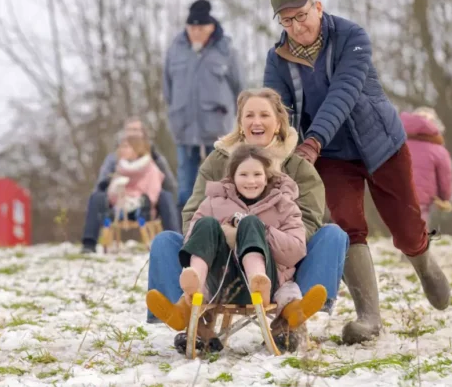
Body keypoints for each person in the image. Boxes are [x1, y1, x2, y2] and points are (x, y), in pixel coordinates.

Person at [263, 0, 451, 344]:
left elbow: (343, 94)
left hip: (381, 145)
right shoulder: (277, 59)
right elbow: (278, 109)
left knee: (406, 227)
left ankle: (424, 262)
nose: (296, 26)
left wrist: (313, 140)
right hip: (332, 157)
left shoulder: (352, 37)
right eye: (286, 21)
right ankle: (369, 317)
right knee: (348, 225)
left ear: (317, 7)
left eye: (301, 16)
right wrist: (277, 148)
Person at [146, 87, 349, 350]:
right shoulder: (218, 161)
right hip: (217, 258)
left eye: (264, 115)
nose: (256, 122)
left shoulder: (297, 167)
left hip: (281, 262)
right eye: (249, 115)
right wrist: (225, 236)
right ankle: (193, 320)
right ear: (241, 123)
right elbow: (193, 212)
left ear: (278, 124)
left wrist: (257, 237)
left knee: (333, 235)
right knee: (165, 241)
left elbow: (309, 222)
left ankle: (289, 319)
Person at [147, 144, 327, 350]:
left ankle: (290, 308)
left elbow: (296, 250)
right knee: (205, 224)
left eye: (257, 174)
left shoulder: (284, 205)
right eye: (243, 174)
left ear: (267, 176)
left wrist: (262, 231)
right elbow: (191, 238)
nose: (251, 181)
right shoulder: (213, 203)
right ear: (232, 177)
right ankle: (188, 298)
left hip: (270, 282)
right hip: (221, 282)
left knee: (251, 224)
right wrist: (222, 234)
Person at [163, 0, 245, 211]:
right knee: (186, 183)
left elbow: (239, 87)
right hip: (184, 126)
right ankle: (186, 227)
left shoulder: (226, 49)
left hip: (218, 127)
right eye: (192, 27)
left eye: (201, 28)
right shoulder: (175, 49)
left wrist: (239, 123)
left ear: (211, 26)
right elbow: (167, 87)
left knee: (219, 179)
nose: (196, 32)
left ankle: (219, 221)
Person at [81, 118, 179, 253]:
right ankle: (88, 244)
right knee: (96, 196)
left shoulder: (154, 158)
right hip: (118, 201)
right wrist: (112, 187)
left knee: (166, 196)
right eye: (129, 130)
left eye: (136, 130)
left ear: (143, 133)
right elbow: (102, 182)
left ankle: (174, 241)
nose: (132, 133)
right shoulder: (114, 158)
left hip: (147, 203)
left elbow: (167, 183)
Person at [401, 108, 452, 222]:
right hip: (423, 199)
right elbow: (445, 178)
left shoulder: (398, 145)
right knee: (420, 225)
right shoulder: (438, 150)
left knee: (402, 225)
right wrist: (444, 197)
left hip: (399, 194)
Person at [106, 135, 165, 222]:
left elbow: (153, 192)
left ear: (136, 148)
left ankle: (141, 217)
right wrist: (116, 189)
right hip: (122, 207)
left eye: (126, 147)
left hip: (141, 205)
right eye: (121, 147)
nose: (122, 150)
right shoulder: (120, 169)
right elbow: (111, 198)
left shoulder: (150, 168)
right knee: (109, 210)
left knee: (142, 208)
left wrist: (138, 200)